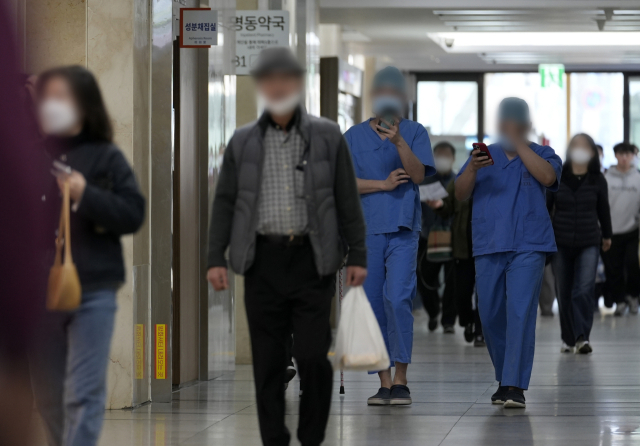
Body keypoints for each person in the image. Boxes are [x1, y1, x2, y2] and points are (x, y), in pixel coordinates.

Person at [206, 47, 367, 446]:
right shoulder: (243, 141)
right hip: (261, 261)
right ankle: (274, 440)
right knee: (268, 362)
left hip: (312, 260)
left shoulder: (327, 135)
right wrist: (215, 257)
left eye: (286, 79)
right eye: (270, 79)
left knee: (313, 356)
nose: (278, 86)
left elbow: (347, 198)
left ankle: (311, 438)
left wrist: (359, 254)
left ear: (297, 84)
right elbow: (225, 202)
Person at [29, 66, 146, 446]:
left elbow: (132, 213)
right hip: (38, 291)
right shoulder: (29, 156)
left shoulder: (106, 157)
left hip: (93, 287)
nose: (52, 106)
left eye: (62, 97)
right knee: (47, 395)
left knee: (84, 392)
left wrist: (85, 194)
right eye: (48, 98)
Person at [455, 97, 562, 408]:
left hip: (529, 244)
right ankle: (505, 375)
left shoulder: (543, 153)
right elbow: (461, 194)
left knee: (519, 312)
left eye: (516, 123)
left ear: (527, 125)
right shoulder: (483, 155)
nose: (509, 128)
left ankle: (514, 385)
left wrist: (520, 144)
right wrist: (473, 169)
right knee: (489, 314)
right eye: (505, 123)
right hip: (489, 243)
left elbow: (548, 177)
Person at [345, 66, 435, 406]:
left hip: (402, 229)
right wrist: (381, 185)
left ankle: (402, 378)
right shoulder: (353, 136)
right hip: (366, 231)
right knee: (372, 304)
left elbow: (417, 175)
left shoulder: (413, 132)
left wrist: (398, 141)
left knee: (397, 299)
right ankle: (384, 381)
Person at [547, 133, 612, 354]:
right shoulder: (558, 177)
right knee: (563, 291)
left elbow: (603, 209)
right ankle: (568, 338)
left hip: (589, 241)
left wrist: (607, 236)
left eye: (585, 146)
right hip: (560, 242)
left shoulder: (597, 179)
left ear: (592, 152)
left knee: (584, 289)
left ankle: (582, 337)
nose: (580, 149)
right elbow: (547, 209)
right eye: (576, 145)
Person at [425, 165, 485, 346]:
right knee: (462, 294)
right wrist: (439, 205)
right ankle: (467, 321)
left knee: (484, 294)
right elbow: (447, 207)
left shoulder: (492, 182)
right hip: (462, 248)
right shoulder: (458, 181)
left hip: (486, 249)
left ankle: (480, 331)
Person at [418, 141, 457, 333]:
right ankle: (434, 311)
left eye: (446, 155)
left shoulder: (458, 181)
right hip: (427, 236)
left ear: (453, 158)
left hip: (453, 239)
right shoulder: (424, 181)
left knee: (452, 282)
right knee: (424, 278)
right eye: (438, 154)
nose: (442, 158)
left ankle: (448, 321)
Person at [603, 142, 640, 316]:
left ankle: (633, 296)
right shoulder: (606, 177)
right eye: (621, 154)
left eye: (628, 154)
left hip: (633, 230)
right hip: (610, 230)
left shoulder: (638, 177)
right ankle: (619, 301)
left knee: (633, 263)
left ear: (633, 156)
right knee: (613, 268)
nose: (624, 158)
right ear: (616, 155)